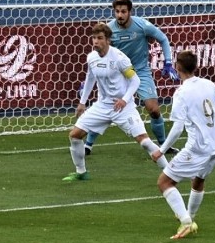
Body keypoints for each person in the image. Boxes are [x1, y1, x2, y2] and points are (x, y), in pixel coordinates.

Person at [63, 23, 169, 182]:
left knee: (145, 143)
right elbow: (90, 78)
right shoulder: (91, 57)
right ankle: (81, 172)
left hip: (123, 108)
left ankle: (170, 173)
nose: (95, 41)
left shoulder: (120, 58)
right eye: (94, 38)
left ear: (108, 40)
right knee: (75, 135)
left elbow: (135, 81)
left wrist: (124, 100)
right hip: (102, 106)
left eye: (99, 38)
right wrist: (82, 102)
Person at [151, 51, 215, 239]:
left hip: (197, 148)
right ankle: (190, 218)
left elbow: (178, 127)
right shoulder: (208, 84)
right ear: (195, 66)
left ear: (178, 67)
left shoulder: (181, 93)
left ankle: (186, 222)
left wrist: (161, 151)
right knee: (198, 180)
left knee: (164, 182)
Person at [84, 0, 179, 156]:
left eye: (123, 11)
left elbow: (163, 38)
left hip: (140, 71)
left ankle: (164, 145)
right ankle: (88, 145)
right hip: (119, 73)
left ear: (129, 12)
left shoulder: (141, 25)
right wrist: (89, 77)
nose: (119, 15)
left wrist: (168, 62)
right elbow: (99, 53)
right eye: (117, 12)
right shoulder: (109, 29)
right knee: (107, 106)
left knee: (153, 109)